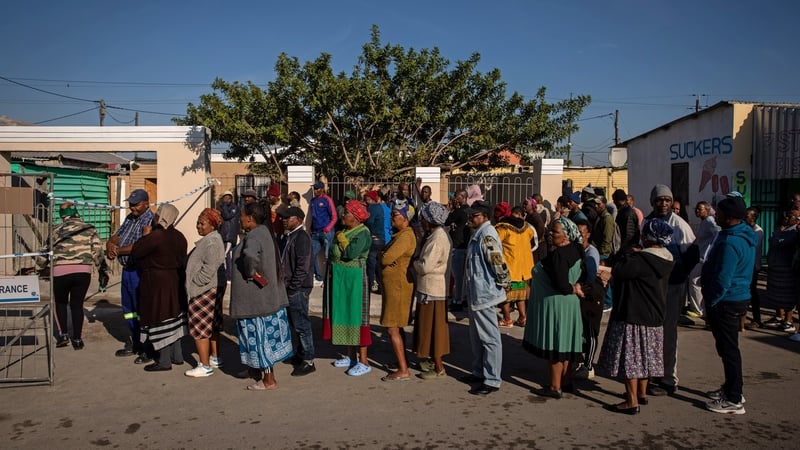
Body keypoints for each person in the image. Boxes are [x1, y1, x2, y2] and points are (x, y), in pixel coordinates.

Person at [597, 219, 675, 414]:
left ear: (647, 238)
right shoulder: (667, 259)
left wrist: (627, 256)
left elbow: (621, 272)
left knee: (631, 361)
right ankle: (642, 393)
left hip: (634, 314)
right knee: (646, 358)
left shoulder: (640, 260)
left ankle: (631, 401)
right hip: (655, 315)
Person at [701, 196, 756, 414]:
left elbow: (723, 278)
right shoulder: (737, 234)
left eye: (720, 213)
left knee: (729, 349)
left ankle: (734, 399)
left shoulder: (731, 242)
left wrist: (711, 301)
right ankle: (732, 388)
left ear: (731, 217)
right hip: (734, 298)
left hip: (727, 301)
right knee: (727, 349)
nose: (716, 215)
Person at [231, 202, 293, 390]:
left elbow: (250, 256)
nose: (239, 219)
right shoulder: (265, 232)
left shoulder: (255, 235)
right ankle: (255, 371)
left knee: (259, 338)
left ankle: (268, 380)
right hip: (264, 299)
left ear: (250, 218)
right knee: (262, 337)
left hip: (256, 301)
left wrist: (251, 274)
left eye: (241, 216)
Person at [524, 217, 585, 399]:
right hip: (570, 305)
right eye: (550, 230)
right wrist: (576, 287)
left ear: (566, 234)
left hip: (558, 304)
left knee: (556, 346)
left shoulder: (559, 255)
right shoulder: (577, 249)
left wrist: (571, 288)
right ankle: (565, 382)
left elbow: (561, 284)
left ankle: (554, 386)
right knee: (565, 344)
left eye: (555, 231)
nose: (551, 234)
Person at [645, 184, 696, 396]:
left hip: (672, 287)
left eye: (667, 200)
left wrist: (677, 275)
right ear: (653, 202)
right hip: (652, 288)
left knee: (668, 333)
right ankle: (653, 372)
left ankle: (668, 378)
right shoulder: (647, 222)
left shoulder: (680, 226)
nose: (663, 203)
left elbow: (692, 255)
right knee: (651, 332)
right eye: (659, 200)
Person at [460, 200, 510, 396]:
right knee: (477, 337)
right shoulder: (478, 234)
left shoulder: (487, 235)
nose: (470, 218)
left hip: (485, 294)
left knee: (489, 338)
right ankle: (479, 371)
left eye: (474, 215)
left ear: (484, 216)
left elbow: (497, 262)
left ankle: (492, 379)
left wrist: (504, 281)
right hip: (476, 293)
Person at [131, 204, 188, 372]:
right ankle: (177, 356)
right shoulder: (179, 236)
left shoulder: (157, 236)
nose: (154, 217)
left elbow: (137, 251)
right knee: (174, 318)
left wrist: (144, 235)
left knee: (160, 318)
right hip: (175, 280)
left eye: (157, 215)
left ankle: (164, 360)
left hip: (156, 283)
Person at [322, 200, 373, 376]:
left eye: (347, 213)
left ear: (357, 217)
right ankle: (351, 356)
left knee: (356, 316)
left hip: (355, 279)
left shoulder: (363, 233)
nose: (343, 215)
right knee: (344, 314)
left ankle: (364, 361)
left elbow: (351, 253)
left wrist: (341, 239)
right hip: (341, 278)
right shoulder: (345, 230)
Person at [105, 188, 155, 360]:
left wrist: (118, 251)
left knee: (142, 309)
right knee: (129, 310)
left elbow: (141, 245)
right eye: (131, 205)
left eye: (136, 205)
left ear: (146, 203)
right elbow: (117, 236)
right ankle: (135, 342)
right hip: (127, 272)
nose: (132, 208)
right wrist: (110, 245)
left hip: (139, 271)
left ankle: (146, 347)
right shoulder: (129, 219)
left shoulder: (150, 220)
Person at [48, 202, 103, 350]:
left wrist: (37, 268)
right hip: (82, 272)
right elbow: (97, 251)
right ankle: (77, 339)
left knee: (60, 303)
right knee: (77, 305)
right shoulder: (89, 228)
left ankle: (62, 335)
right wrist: (102, 269)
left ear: (62, 216)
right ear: (76, 212)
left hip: (60, 272)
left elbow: (45, 252)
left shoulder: (55, 230)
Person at [184, 208, 226, 377]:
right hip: (209, 288)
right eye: (198, 222)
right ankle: (214, 357)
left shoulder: (212, 242)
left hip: (204, 289)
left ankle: (205, 365)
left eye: (202, 223)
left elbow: (209, 268)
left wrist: (196, 283)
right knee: (212, 325)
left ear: (212, 225)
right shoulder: (210, 239)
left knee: (200, 327)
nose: (198, 226)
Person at [412, 202, 452, 380]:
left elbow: (425, 266)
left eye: (423, 219)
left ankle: (439, 367)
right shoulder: (435, 235)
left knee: (434, 330)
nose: (421, 222)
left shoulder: (437, 239)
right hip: (429, 288)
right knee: (427, 328)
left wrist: (414, 263)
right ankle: (431, 360)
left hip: (432, 289)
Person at [379, 207, 417, 382]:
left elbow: (386, 258)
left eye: (395, 216)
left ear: (405, 219)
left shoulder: (406, 236)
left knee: (392, 326)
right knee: (396, 326)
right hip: (394, 286)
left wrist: (385, 257)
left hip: (399, 287)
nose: (392, 218)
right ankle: (402, 363)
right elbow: (386, 256)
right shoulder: (400, 236)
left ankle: (403, 370)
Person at [278, 206, 316, 376]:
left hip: (298, 289)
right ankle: (300, 354)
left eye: (288, 217)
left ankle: (309, 360)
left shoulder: (301, 237)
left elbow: (303, 265)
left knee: (302, 325)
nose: (284, 220)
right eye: (283, 218)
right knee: (295, 323)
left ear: (299, 220)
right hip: (290, 288)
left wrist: (293, 287)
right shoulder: (289, 237)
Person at [573, 219, 605, 380]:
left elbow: (591, 276)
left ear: (588, 234)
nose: (578, 235)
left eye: (581, 233)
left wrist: (582, 286)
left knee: (590, 330)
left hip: (590, 296)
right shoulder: (575, 249)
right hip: (578, 295)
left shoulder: (591, 252)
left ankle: (589, 365)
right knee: (580, 330)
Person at [495, 205, 535, 327]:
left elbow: (495, 242)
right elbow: (532, 237)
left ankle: (507, 319)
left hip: (509, 266)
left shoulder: (503, 227)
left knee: (505, 296)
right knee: (520, 295)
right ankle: (523, 317)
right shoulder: (527, 227)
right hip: (523, 267)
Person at [764, 205, 799, 332]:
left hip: (786, 268)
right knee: (776, 294)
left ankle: (788, 321)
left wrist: (780, 231)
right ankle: (779, 316)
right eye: (787, 215)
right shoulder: (783, 229)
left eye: (790, 216)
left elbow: (776, 242)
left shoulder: (794, 231)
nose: (786, 218)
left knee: (786, 295)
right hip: (775, 267)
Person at [686, 201, 720, 318]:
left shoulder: (710, 221)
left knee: (694, 281)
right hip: (700, 257)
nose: (697, 211)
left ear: (707, 209)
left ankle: (698, 310)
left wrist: (710, 250)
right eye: (697, 209)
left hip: (704, 259)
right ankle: (701, 309)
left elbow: (718, 233)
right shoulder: (704, 222)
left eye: (700, 209)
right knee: (697, 282)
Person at [445, 188, 470, 311]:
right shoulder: (469, 210)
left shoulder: (459, 211)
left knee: (458, 275)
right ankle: (464, 297)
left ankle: (458, 300)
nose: (454, 198)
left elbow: (447, 220)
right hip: (466, 245)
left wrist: (451, 209)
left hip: (458, 246)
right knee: (464, 276)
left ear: (462, 197)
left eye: (456, 196)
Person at [309, 181, 337, 287]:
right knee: (312, 254)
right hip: (315, 232)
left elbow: (334, 216)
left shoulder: (327, 200)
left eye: (317, 189)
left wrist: (328, 228)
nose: (315, 191)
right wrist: (311, 228)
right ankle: (319, 276)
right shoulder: (312, 201)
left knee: (328, 256)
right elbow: (313, 216)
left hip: (326, 232)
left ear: (322, 189)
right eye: (314, 189)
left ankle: (329, 279)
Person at [743, 207, 765, 328]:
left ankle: (757, 319)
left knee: (752, 292)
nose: (744, 218)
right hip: (746, 266)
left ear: (753, 218)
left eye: (747, 216)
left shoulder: (758, 231)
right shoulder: (746, 228)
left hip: (753, 267)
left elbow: (750, 247)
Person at [363, 190, 386, 294]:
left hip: (374, 238)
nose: (366, 201)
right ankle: (381, 286)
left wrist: (368, 231)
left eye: (367, 199)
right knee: (378, 264)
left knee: (371, 263)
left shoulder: (372, 208)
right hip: (381, 239)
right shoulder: (380, 207)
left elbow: (370, 222)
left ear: (372, 199)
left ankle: (370, 283)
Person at [218, 190, 240, 282]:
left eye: (227, 197)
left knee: (226, 255)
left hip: (229, 235)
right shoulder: (224, 208)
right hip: (225, 235)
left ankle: (229, 276)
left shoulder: (234, 208)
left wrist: (223, 207)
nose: (225, 199)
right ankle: (228, 275)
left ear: (231, 198)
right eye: (224, 198)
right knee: (227, 255)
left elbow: (227, 216)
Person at [612, 189, 641, 256]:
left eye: (614, 200)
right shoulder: (623, 211)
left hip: (628, 249)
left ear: (618, 200)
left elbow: (628, 234)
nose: (614, 202)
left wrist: (623, 249)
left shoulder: (627, 213)